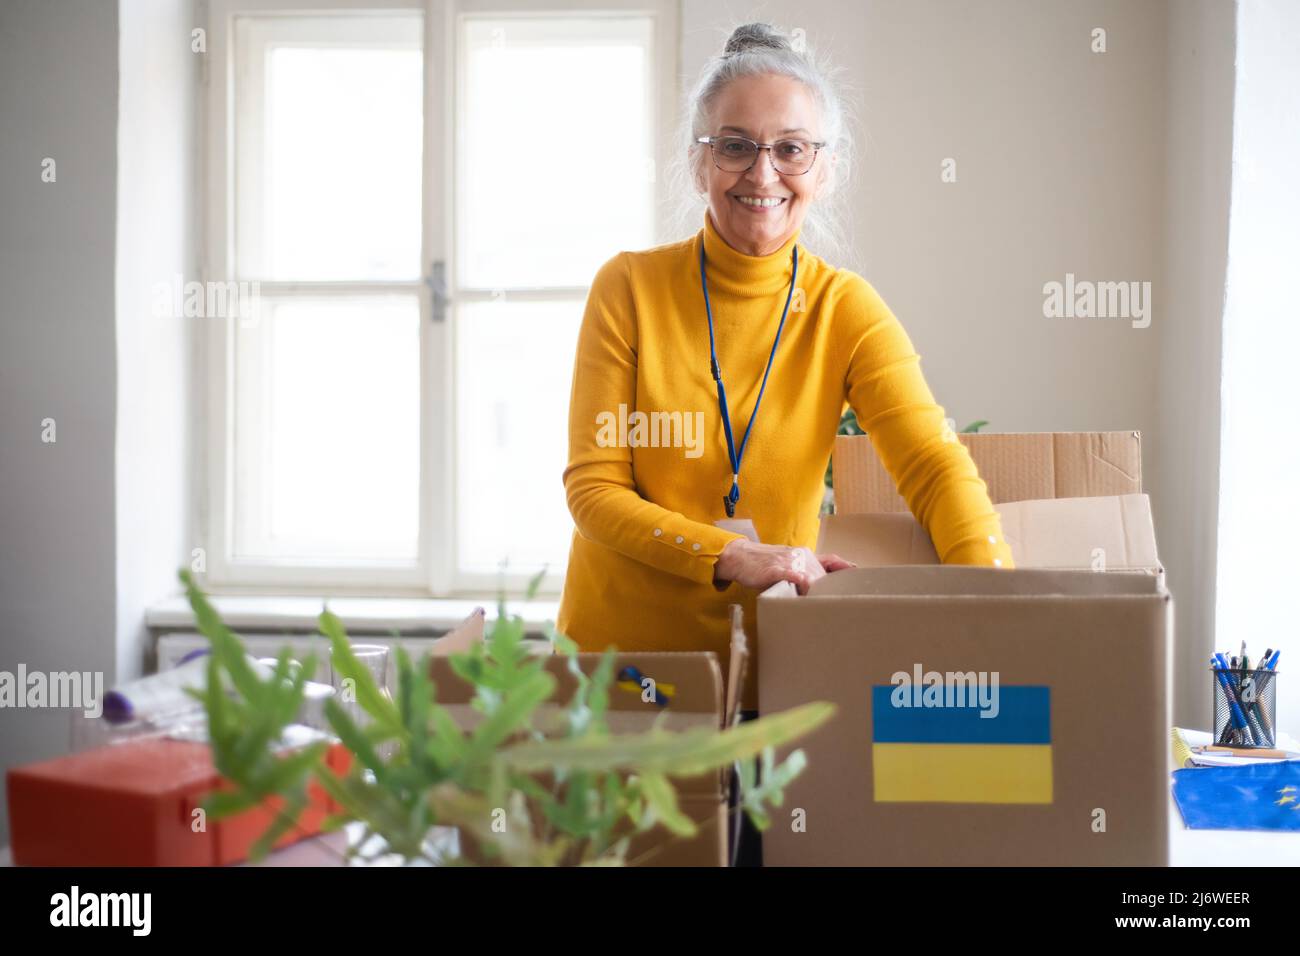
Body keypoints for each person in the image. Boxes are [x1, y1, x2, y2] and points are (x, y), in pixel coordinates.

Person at [557, 22, 1015, 864]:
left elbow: (931, 462)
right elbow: (593, 489)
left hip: (774, 682)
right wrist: (738, 557)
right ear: (699, 161)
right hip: (622, 681)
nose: (761, 173)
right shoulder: (627, 288)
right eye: (735, 146)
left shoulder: (845, 309)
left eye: (791, 149)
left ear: (825, 169)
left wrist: (1003, 608)